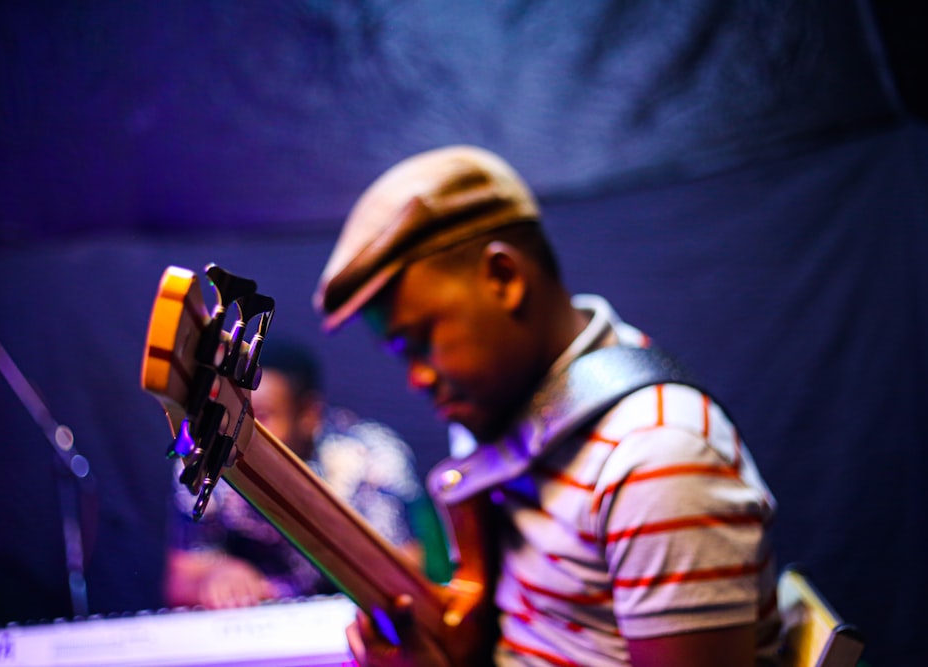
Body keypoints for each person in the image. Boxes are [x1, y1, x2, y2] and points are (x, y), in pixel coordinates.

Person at [312, 145, 781, 666]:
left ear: (503, 279)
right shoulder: (508, 408)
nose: (417, 378)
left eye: (422, 341)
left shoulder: (656, 456)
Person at [164, 338, 438, 610]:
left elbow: (409, 569)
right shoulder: (207, 460)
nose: (238, 431)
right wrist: (216, 575)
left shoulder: (373, 457)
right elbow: (179, 579)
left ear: (308, 414)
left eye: (260, 415)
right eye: (229, 415)